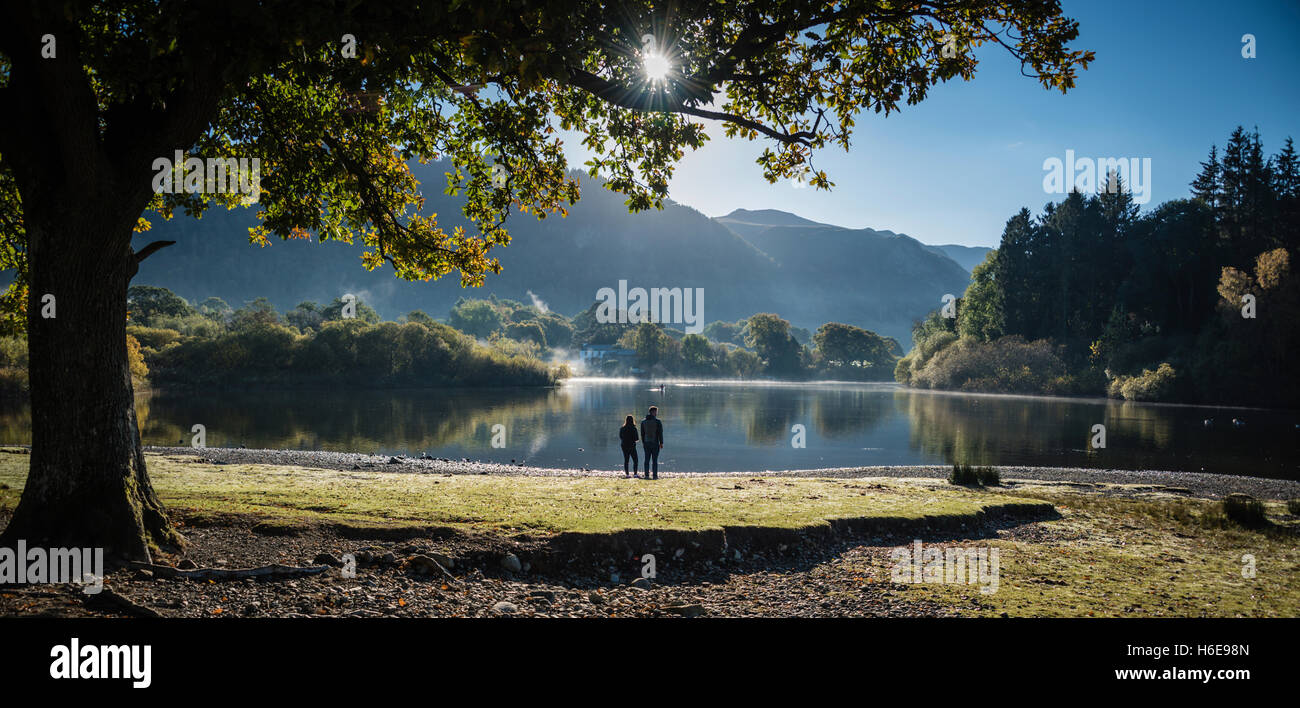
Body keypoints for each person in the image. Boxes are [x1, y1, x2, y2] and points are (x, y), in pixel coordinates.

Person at [640, 406, 664, 479]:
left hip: (646, 443)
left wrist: (643, 442)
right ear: (653, 412)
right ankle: (655, 475)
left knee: (646, 459)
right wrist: (661, 443)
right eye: (656, 412)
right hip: (655, 443)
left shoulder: (643, 422)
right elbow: (660, 433)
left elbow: (642, 433)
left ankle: (646, 475)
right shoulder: (658, 421)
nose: (656, 413)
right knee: (654, 460)